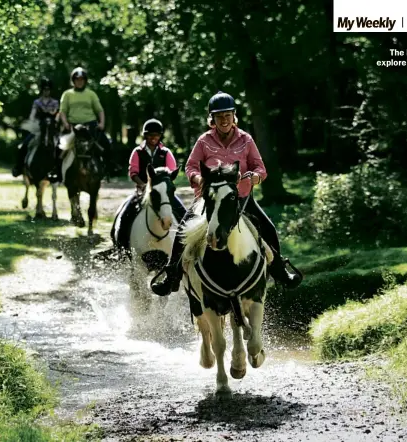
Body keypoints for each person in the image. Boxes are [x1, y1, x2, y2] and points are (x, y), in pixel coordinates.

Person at [151, 91, 303, 296]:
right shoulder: (204, 141)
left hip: (240, 199)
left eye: (227, 115)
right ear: (212, 119)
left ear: (234, 116)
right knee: (182, 232)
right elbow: (190, 166)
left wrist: (253, 177)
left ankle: (280, 272)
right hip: (210, 200)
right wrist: (198, 179)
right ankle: (172, 275)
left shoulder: (246, 140)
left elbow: (261, 169)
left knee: (269, 228)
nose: (224, 120)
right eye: (219, 116)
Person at [111, 118, 186, 252]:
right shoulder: (137, 152)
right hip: (142, 191)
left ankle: (186, 246)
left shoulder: (166, 153)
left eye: (156, 135)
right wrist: (144, 185)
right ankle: (120, 246)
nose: (153, 138)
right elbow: (133, 172)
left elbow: (171, 171)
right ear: (145, 135)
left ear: (160, 136)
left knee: (183, 213)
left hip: (163, 192)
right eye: (150, 135)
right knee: (124, 214)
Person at [59, 67, 112, 178]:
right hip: (73, 127)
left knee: (106, 143)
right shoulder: (67, 94)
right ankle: (56, 171)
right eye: (77, 79)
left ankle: (109, 167)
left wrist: (101, 123)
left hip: (90, 126)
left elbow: (100, 110)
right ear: (73, 81)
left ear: (85, 81)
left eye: (82, 79)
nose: (79, 81)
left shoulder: (91, 94)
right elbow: (62, 111)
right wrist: (65, 123)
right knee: (57, 147)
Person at [12, 77, 60, 178]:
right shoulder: (37, 102)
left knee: (59, 147)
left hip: (51, 128)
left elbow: (56, 114)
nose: (46, 91)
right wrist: (34, 120)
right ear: (42, 90)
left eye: (48, 89)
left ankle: (57, 170)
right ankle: (19, 167)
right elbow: (32, 115)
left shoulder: (55, 102)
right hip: (38, 127)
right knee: (24, 145)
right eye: (44, 89)